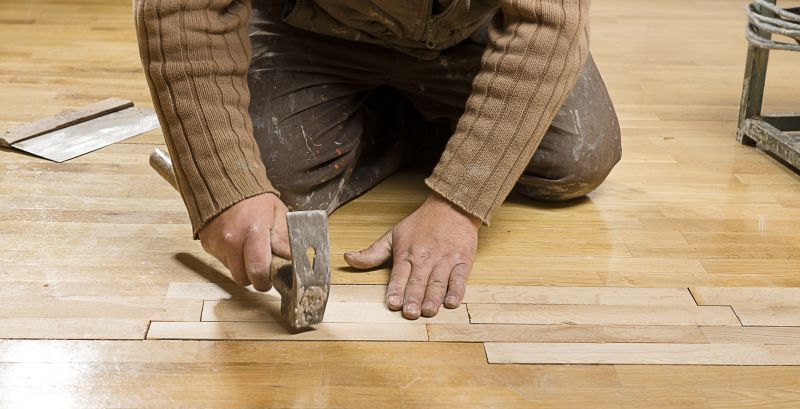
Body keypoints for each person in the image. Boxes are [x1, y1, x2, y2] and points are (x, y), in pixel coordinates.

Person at [134, 0, 621, 320]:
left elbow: (548, 21)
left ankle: (418, 120)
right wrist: (225, 188)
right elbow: (183, 8)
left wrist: (459, 201)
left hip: (473, 30)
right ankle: (407, 120)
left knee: (576, 156)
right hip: (308, 25)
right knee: (263, 177)